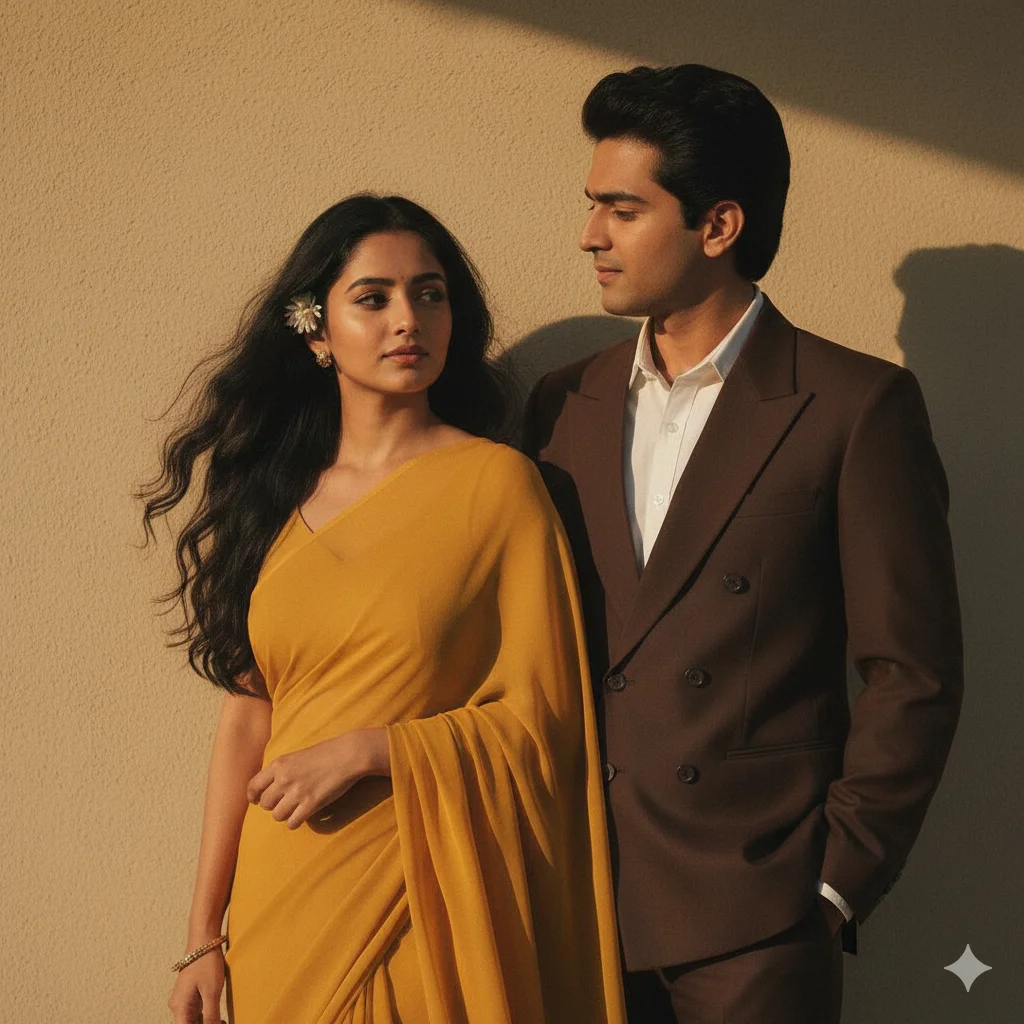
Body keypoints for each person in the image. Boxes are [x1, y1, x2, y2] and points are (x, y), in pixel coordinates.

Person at [522, 65, 963, 1024]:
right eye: (591, 205)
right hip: (581, 898)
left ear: (719, 226)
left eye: (622, 209)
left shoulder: (855, 407)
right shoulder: (562, 404)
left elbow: (912, 672)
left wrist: (836, 882)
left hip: (759, 916)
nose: (589, 234)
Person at [143, 194, 626, 1024]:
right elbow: (246, 723)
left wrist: (376, 751)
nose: (410, 319)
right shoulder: (273, 500)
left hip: (420, 887)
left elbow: (547, 717)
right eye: (374, 298)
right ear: (317, 333)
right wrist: (202, 937)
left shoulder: (496, 488)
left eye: (430, 294)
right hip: (282, 897)